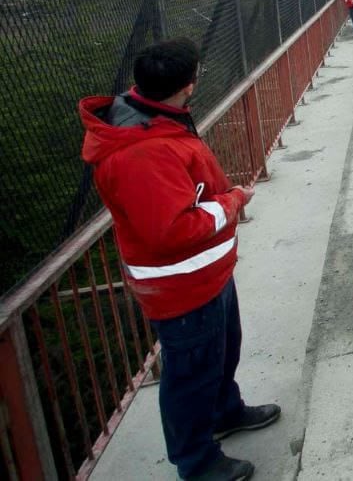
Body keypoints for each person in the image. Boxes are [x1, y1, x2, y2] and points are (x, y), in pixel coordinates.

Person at [79, 40, 280, 481]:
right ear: (188, 85)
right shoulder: (141, 151)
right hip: (182, 287)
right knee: (190, 376)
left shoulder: (155, 118)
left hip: (207, 273)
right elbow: (169, 230)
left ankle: (226, 411)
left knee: (220, 353)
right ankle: (197, 462)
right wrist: (230, 202)